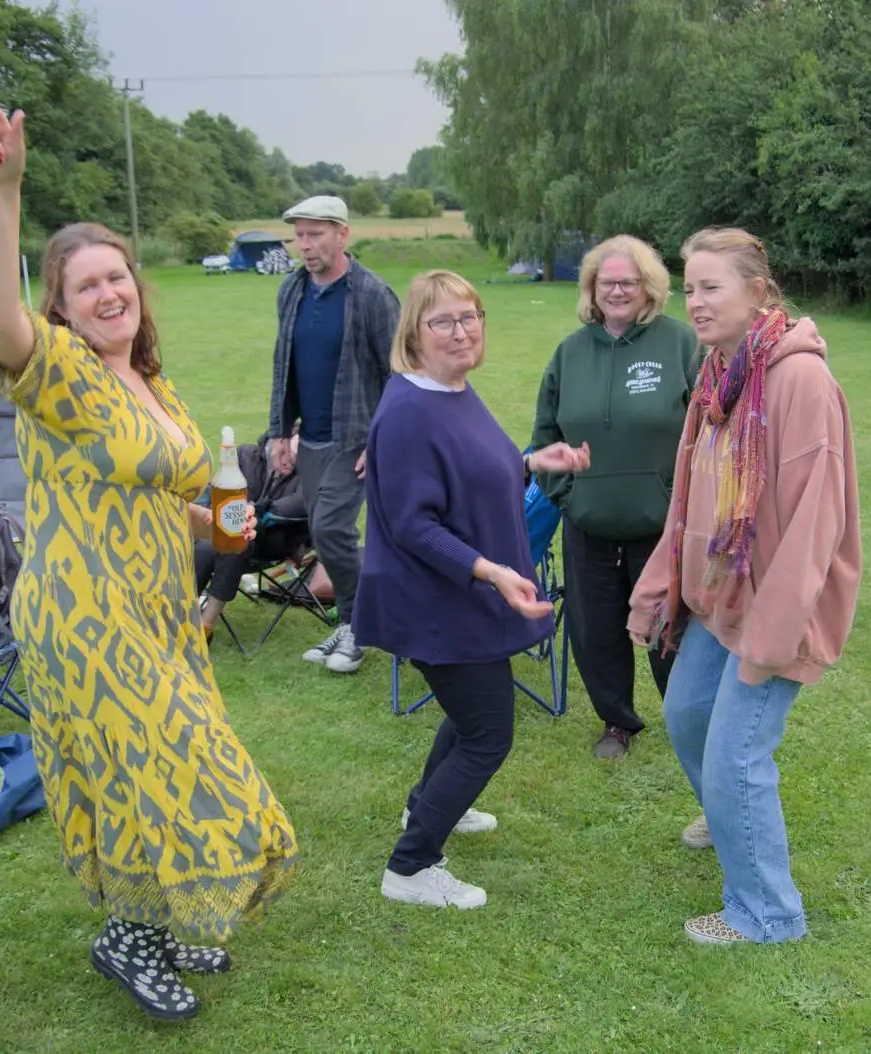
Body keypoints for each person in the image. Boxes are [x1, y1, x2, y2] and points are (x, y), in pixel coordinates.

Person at [0, 86, 297, 1021]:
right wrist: (3, 190)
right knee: (177, 775)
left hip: (159, 609)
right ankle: (129, 937)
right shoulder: (57, 373)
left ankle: (151, 923)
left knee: (150, 778)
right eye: (86, 285)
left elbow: (173, 492)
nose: (109, 293)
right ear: (62, 305)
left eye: (119, 277)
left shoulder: (149, 379)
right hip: (84, 615)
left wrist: (215, 526)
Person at [628, 228, 862, 946]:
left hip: (776, 609)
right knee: (689, 718)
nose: (694, 301)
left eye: (711, 287)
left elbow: (814, 524)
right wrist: (660, 585)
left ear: (759, 293)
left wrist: (771, 641)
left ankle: (767, 915)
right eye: (689, 287)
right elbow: (690, 497)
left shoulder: (796, 378)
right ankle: (732, 820)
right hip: (719, 596)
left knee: (735, 752)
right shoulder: (718, 372)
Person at [354, 269, 590, 911]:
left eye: (470, 317)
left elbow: (472, 463)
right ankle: (411, 867)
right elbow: (412, 523)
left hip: (465, 595)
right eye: (443, 321)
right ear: (415, 333)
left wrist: (536, 462)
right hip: (434, 600)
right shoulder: (407, 409)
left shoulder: (453, 390)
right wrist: (488, 570)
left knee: (469, 718)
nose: (461, 331)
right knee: (488, 732)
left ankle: (427, 810)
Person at [530, 235, 703, 760]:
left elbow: (709, 432)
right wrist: (571, 496)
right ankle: (617, 722)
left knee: (669, 626)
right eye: (607, 282)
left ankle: (685, 715)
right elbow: (544, 437)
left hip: (662, 524)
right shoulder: (570, 352)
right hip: (589, 523)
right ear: (592, 289)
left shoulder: (681, 344)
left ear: (649, 287)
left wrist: (679, 497)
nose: (618, 290)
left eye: (629, 281)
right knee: (596, 628)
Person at [266, 194, 400, 674]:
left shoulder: (372, 295)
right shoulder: (292, 290)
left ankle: (358, 627)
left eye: (315, 234)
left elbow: (399, 374)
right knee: (324, 534)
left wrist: (381, 440)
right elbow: (284, 367)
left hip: (356, 440)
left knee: (332, 531)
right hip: (311, 439)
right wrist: (279, 432)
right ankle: (354, 621)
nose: (305, 244)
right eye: (299, 235)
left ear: (343, 234)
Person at [192, 432, 312, 643]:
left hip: (274, 538)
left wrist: (256, 511)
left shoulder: (309, 470)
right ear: (279, 443)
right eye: (290, 455)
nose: (292, 463)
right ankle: (184, 613)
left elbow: (301, 502)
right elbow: (221, 488)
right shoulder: (245, 454)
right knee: (205, 546)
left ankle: (205, 625)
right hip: (230, 526)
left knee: (235, 545)